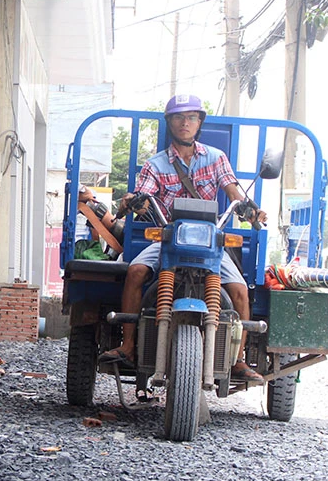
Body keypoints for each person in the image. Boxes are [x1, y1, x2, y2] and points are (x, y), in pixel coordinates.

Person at [98, 94, 266, 382]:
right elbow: (143, 193)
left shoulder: (216, 158)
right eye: (178, 117)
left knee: (239, 290)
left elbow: (234, 191)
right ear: (170, 123)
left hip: (209, 241)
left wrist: (251, 211)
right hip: (167, 238)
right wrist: (134, 201)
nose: (184, 122)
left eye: (191, 117)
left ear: (199, 122)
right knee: (136, 271)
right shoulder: (156, 164)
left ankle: (238, 359)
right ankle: (128, 346)